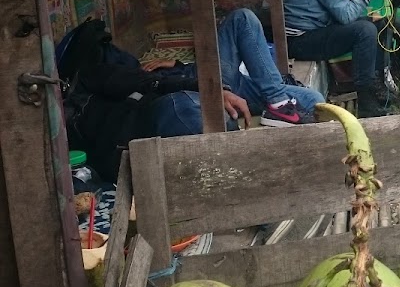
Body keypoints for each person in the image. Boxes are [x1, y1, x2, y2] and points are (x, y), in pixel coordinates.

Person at [57, 11, 323, 182]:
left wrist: (185, 72)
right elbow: (146, 83)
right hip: (192, 97)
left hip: (211, 87)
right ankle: (258, 178)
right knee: (197, 115)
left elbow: (148, 80)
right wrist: (203, 87)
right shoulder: (88, 87)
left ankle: (277, 102)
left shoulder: (120, 78)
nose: (111, 51)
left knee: (314, 99)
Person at [283, 0, 393, 118]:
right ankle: (366, 102)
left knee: (380, 23)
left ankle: (379, 88)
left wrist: (369, 8)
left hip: (314, 33)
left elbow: (348, 9)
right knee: (364, 29)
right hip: (299, 40)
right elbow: (346, 15)